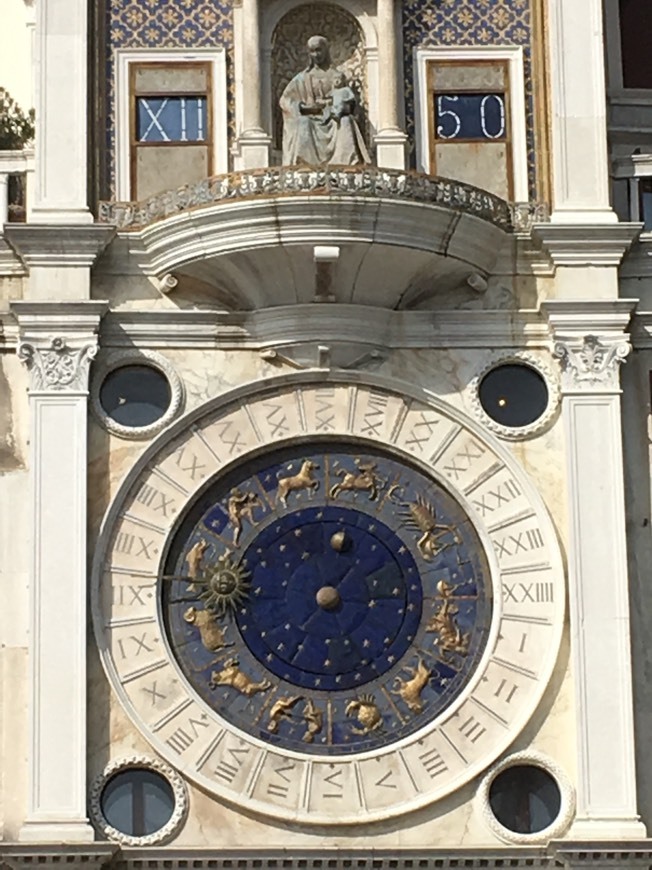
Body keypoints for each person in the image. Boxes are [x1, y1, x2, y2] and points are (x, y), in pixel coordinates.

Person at [279, 35, 370, 166]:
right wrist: (300, 106)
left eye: (319, 50)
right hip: (311, 117)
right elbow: (285, 100)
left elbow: (347, 100)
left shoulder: (337, 76)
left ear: (326, 50)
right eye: (312, 51)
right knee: (304, 122)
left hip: (333, 118)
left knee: (346, 121)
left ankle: (345, 163)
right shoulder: (303, 77)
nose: (316, 54)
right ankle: (304, 164)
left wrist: (341, 107)